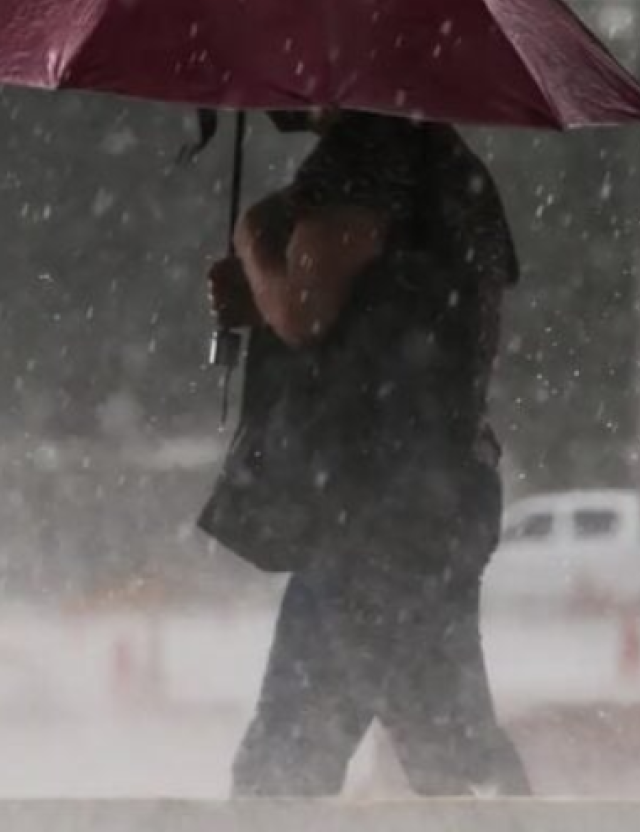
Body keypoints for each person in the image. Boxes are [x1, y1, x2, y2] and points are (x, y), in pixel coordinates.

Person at [205, 109, 532, 797]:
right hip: (438, 492)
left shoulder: (366, 152)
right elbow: (436, 331)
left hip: (371, 506)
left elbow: (304, 309)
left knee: (283, 767)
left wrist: (255, 246)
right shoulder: (451, 165)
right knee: (448, 747)